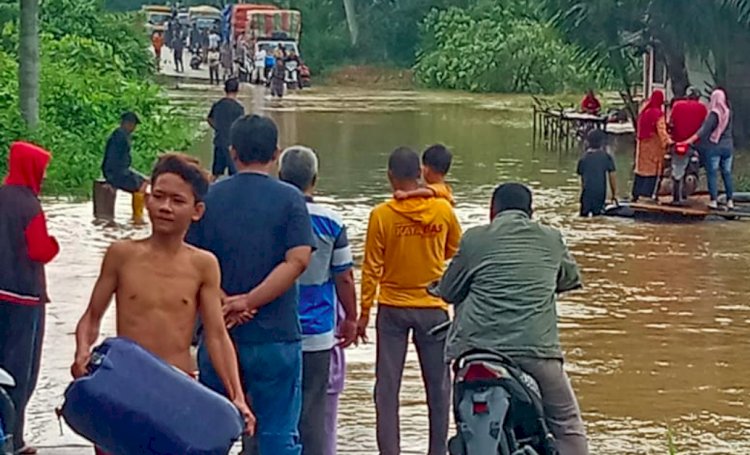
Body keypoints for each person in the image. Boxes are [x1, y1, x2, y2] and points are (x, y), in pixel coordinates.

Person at [73, 153, 254, 455]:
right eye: (158, 197)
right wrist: (82, 352)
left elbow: (217, 335)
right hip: (122, 386)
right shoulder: (121, 254)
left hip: (176, 392)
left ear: (197, 211)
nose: (165, 207)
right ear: (147, 199)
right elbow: (91, 318)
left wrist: (237, 396)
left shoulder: (203, 265)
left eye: (177, 201)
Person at [187, 115, 315, 455]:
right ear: (276, 153)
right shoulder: (291, 199)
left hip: (219, 334)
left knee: (213, 431)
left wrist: (227, 300)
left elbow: (189, 261)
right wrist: (250, 300)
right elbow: (298, 260)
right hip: (276, 337)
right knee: (277, 434)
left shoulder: (208, 199)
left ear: (232, 152)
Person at [438, 183, 588, 455]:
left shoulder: (474, 239)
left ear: (491, 211)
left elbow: (448, 291)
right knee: (566, 424)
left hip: (473, 352)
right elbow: (570, 279)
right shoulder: (551, 239)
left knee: (463, 424)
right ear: (530, 212)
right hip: (536, 352)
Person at [358, 147, 462, 455]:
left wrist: (364, 312)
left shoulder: (381, 215)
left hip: (392, 309)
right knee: (439, 388)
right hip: (432, 307)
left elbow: (371, 267)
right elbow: (454, 250)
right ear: (419, 173)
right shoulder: (443, 211)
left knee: (387, 389)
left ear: (390, 176)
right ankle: (437, 451)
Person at [278, 146, 358, 455]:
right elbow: (344, 276)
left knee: (268, 410)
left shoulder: (270, 214)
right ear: (315, 180)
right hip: (316, 336)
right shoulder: (332, 221)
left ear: (281, 176)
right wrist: (351, 317)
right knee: (313, 413)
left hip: (270, 330)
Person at [0, 142, 59, 455]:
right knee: (20, 374)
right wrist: (54, 245)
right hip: (23, 300)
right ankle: (15, 439)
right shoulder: (29, 205)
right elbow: (39, 250)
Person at [680, 88, 734, 209]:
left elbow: (704, 131)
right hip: (728, 148)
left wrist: (689, 140)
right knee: (727, 173)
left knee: (712, 173)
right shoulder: (728, 112)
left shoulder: (714, 114)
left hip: (714, 147)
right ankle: (730, 201)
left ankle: (714, 200)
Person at [102, 112, 149, 223]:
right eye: (133, 125)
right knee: (141, 185)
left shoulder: (121, 135)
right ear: (126, 123)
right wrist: (110, 179)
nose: (134, 128)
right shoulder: (119, 136)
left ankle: (138, 215)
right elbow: (112, 160)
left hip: (119, 171)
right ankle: (137, 218)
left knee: (144, 180)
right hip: (116, 173)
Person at [669, 87, 708, 204]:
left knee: (673, 167)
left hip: (677, 143)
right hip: (694, 144)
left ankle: (676, 197)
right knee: (703, 164)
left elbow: (671, 123)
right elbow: (704, 127)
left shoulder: (677, 105)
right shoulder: (702, 108)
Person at [632, 90, 671, 202]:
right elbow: (661, 131)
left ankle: (635, 195)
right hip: (654, 146)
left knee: (640, 170)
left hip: (642, 146)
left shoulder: (643, 112)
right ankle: (648, 196)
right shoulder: (658, 114)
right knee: (653, 171)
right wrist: (668, 142)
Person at [207, 78, 244, 179]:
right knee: (236, 175)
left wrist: (218, 128)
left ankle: (208, 192)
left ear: (225, 89)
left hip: (219, 142)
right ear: (237, 90)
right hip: (232, 146)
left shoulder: (217, 105)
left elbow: (209, 119)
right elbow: (241, 127)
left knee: (215, 174)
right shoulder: (239, 108)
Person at [576, 129, 617, 216]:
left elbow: (581, 181)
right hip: (599, 193)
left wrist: (583, 193)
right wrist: (614, 195)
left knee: (583, 217)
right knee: (597, 217)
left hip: (586, 194)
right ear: (602, 143)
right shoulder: (606, 157)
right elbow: (612, 177)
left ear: (587, 142)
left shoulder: (583, 158)